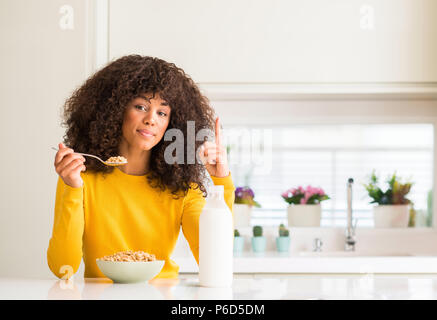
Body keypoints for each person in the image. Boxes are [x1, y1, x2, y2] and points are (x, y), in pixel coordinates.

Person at [47, 55, 235, 279]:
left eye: (162, 113)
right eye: (141, 106)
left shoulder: (182, 188)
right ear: (115, 110)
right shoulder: (80, 178)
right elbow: (62, 268)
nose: (151, 119)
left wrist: (222, 181)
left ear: (171, 124)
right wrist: (72, 188)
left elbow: (215, 257)